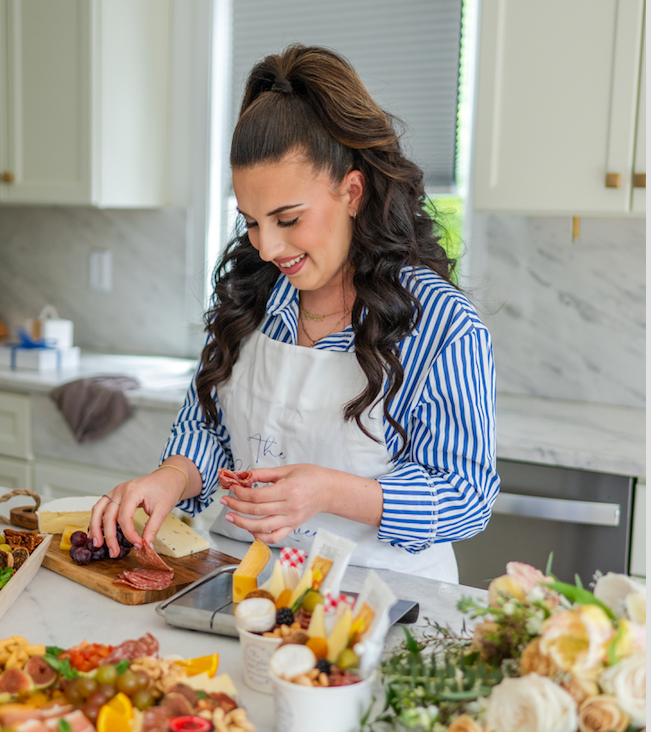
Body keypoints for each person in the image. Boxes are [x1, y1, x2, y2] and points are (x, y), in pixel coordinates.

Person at [90, 45, 499, 582]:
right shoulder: (251, 297)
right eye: (251, 221)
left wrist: (328, 491)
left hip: (380, 595)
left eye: (287, 219)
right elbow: (209, 432)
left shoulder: (442, 324)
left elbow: (467, 497)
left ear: (352, 192)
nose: (266, 247)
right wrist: (170, 477)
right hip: (239, 579)